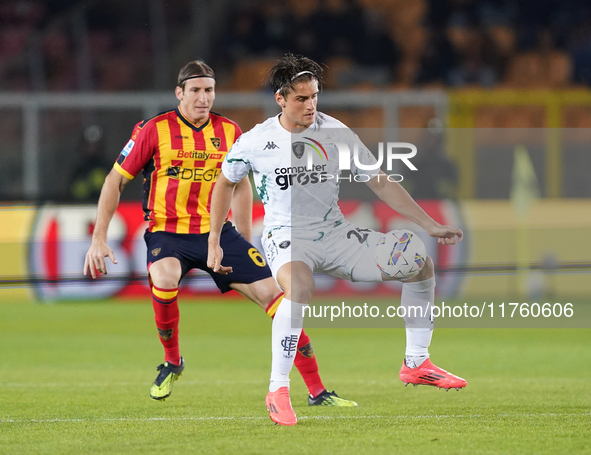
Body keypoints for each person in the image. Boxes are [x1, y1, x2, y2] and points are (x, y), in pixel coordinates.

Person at [207, 54, 467, 426]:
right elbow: (226, 182)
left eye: (315, 96)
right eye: (301, 98)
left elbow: (378, 180)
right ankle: (278, 389)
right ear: (281, 99)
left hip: (335, 233)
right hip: (286, 236)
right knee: (299, 285)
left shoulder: (335, 132)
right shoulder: (256, 141)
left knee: (419, 262)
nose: (311, 105)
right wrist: (216, 239)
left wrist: (428, 224)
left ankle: (417, 362)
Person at [83, 59, 356, 407]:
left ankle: (318, 391)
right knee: (164, 277)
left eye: (209, 90)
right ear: (179, 93)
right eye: (195, 90)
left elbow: (241, 185)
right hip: (169, 233)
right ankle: (172, 360)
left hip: (218, 233)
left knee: (279, 300)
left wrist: (242, 236)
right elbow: (115, 180)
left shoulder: (229, 132)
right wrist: (99, 238)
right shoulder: (154, 129)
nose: (203, 98)